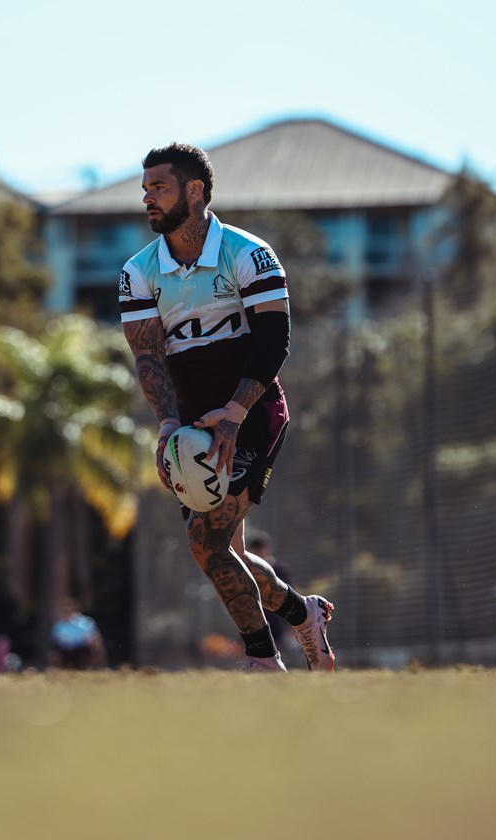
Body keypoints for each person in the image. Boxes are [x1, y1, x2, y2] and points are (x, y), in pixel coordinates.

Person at [118, 143, 335, 672]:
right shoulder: (138, 271)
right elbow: (148, 355)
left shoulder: (249, 253)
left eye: (159, 187)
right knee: (224, 553)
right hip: (192, 424)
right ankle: (301, 612)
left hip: (253, 412)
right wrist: (170, 425)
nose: (147, 197)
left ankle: (264, 660)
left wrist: (235, 414)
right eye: (145, 188)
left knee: (204, 543)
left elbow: (273, 342)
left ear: (194, 192)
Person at [50, 597, 107, 670]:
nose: (67, 613)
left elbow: (93, 636)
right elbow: (55, 638)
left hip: (81, 649)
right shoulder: (59, 625)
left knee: (90, 648)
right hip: (65, 649)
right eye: (65, 611)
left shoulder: (84, 622)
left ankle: (88, 668)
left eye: (69, 611)